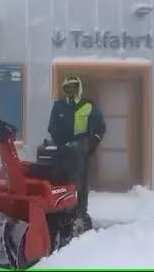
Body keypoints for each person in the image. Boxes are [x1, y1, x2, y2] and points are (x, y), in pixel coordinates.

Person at [48, 75, 106, 215]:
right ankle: (61, 208)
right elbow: (52, 127)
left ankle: (80, 211)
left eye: (74, 87)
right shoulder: (59, 106)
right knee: (60, 178)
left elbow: (100, 126)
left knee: (80, 180)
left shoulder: (88, 106)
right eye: (68, 88)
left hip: (82, 147)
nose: (71, 91)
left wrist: (94, 142)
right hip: (62, 147)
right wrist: (59, 141)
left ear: (79, 89)